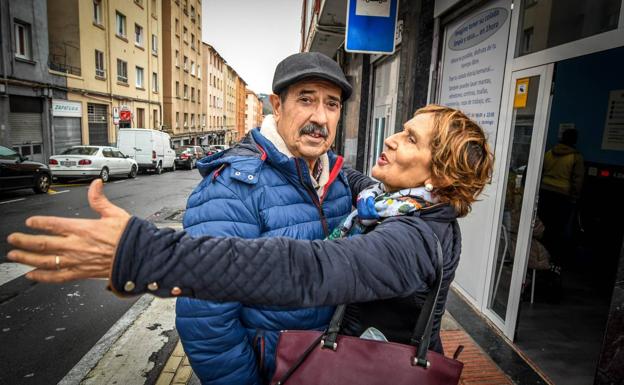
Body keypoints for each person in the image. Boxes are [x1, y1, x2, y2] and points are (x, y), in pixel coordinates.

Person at [7, 104, 493, 379]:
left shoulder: (414, 238)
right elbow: (350, 178)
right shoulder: (390, 203)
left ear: (441, 173)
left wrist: (150, 253)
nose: (391, 139)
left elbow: (308, 270)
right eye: (401, 128)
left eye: (410, 139)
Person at [171, 52, 354, 384]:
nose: (321, 117)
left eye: (332, 104)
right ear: (278, 105)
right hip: (272, 371)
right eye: (306, 100)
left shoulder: (339, 182)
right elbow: (206, 320)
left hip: (330, 366)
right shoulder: (232, 187)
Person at [538, 128, 584, 266]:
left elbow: (541, 171)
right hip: (563, 196)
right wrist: (575, 196)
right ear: (574, 140)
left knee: (542, 225)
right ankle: (552, 259)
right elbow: (578, 179)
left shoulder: (549, 153)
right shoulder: (576, 157)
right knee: (557, 228)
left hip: (545, 192)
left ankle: (539, 253)